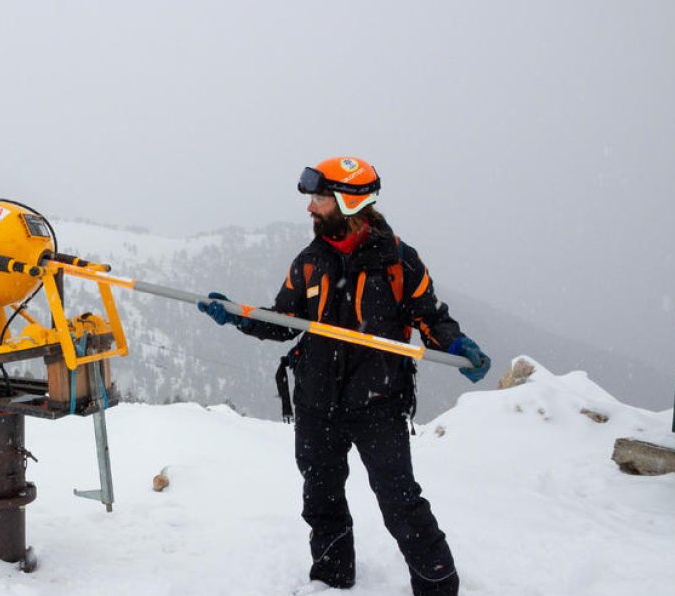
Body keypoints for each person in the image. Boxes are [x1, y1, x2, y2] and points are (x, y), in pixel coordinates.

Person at [197, 156, 490, 596]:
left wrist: (455, 344)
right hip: (316, 403)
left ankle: (438, 586)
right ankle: (332, 579)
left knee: (400, 504)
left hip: (378, 405)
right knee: (321, 499)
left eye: (319, 198)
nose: (310, 208)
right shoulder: (310, 262)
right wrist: (240, 316)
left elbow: (429, 316)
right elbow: (285, 321)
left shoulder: (398, 263)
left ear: (349, 203)